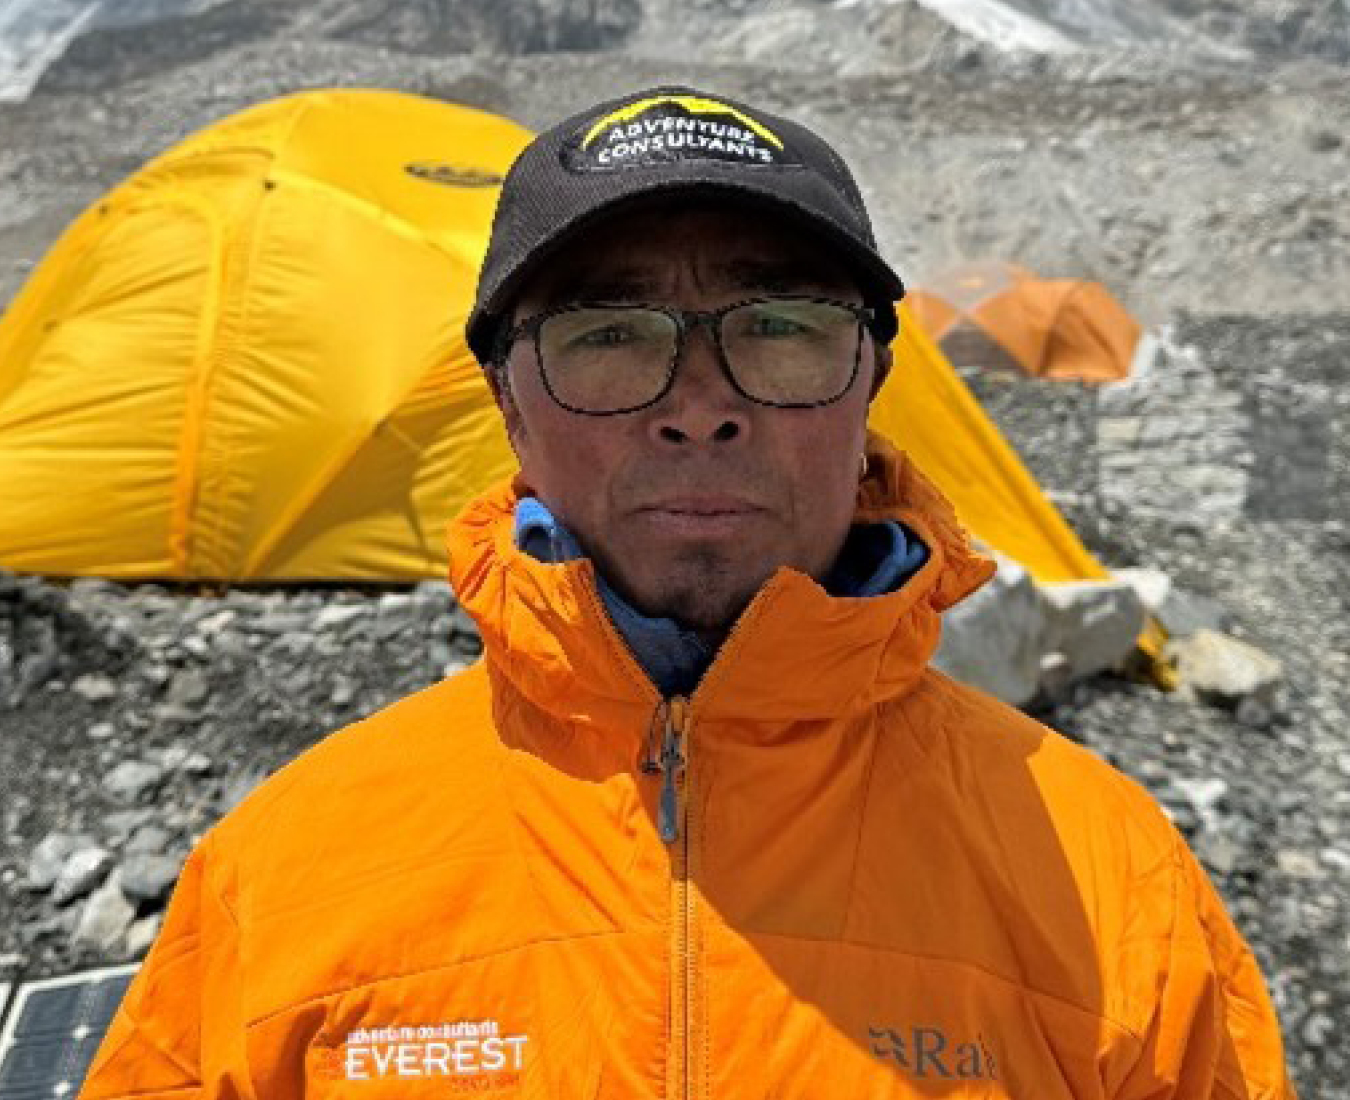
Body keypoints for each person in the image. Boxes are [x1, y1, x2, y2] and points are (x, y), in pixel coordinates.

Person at [81, 85, 1294, 1099]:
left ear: (870, 375)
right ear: (509, 399)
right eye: (609, 333)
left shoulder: (1106, 874)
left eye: (777, 326)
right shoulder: (283, 872)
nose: (699, 401)